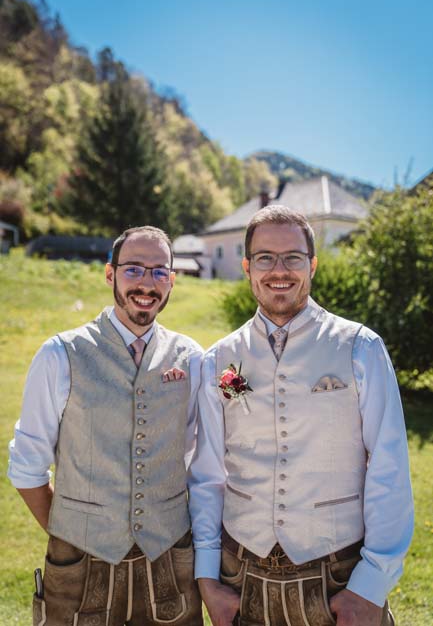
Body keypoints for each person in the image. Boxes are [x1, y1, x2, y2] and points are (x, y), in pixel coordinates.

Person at [188, 206, 413, 626]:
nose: (279, 270)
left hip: (339, 576)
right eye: (265, 258)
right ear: (247, 267)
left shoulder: (360, 347)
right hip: (241, 576)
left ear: (312, 265)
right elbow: (207, 474)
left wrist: (370, 585)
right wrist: (207, 579)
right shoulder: (218, 358)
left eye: (292, 257)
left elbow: (389, 467)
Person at [8, 226, 204, 626]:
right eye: (133, 269)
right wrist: (72, 533)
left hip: (170, 563)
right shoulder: (60, 354)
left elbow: (197, 461)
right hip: (79, 568)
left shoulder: (192, 358)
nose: (146, 283)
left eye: (159, 271)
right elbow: (27, 468)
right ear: (110, 274)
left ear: (172, 280)